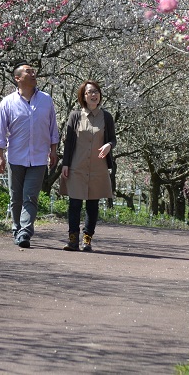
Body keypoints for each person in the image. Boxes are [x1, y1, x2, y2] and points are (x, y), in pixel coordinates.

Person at [0, 62, 59, 248]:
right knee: (16, 197)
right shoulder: (7, 102)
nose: (33, 74)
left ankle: (25, 232)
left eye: (34, 71)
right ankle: (17, 228)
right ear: (17, 78)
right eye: (28, 72)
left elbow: (53, 127)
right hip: (16, 157)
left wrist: (53, 151)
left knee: (31, 196)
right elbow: (0, 131)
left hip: (38, 157)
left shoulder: (46, 100)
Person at [60, 80, 116, 252]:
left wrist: (109, 146)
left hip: (98, 167)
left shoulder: (106, 117)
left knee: (93, 205)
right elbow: (69, 142)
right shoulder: (75, 116)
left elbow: (112, 139)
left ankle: (87, 238)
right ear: (83, 96)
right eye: (90, 92)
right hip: (77, 165)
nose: (94, 95)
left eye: (96, 92)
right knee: (74, 203)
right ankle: (72, 238)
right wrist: (66, 164)